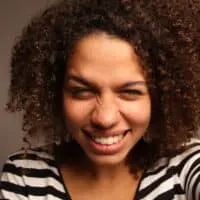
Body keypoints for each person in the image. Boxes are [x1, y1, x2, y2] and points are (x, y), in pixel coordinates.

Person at [1, 0, 200, 199]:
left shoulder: (184, 165)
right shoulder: (25, 176)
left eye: (130, 92)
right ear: (55, 92)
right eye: (82, 91)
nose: (104, 119)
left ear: (159, 97)